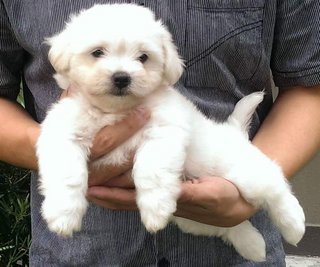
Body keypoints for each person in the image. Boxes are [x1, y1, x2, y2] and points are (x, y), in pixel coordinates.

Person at [0, 0, 319, 266]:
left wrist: (238, 203)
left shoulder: (166, 108)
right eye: (98, 53)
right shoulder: (70, 111)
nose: (121, 72)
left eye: (142, 58)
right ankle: (238, 231)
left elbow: (310, 82)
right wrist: (66, 188)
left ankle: (278, 203)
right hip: (80, 254)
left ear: (164, 65)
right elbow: (53, 141)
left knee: (250, 176)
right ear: (66, 57)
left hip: (223, 232)